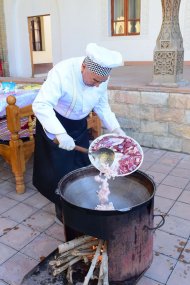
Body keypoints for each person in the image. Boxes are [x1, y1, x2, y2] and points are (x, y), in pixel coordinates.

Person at [32, 43, 126, 225]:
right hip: (55, 123)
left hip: (78, 125)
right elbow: (41, 105)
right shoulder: (62, 72)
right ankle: (62, 211)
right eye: (95, 80)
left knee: (81, 167)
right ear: (84, 67)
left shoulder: (100, 78)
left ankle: (82, 205)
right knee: (58, 171)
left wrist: (116, 129)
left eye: (101, 82)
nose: (97, 85)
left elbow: (101, 105)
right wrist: (60, 133)